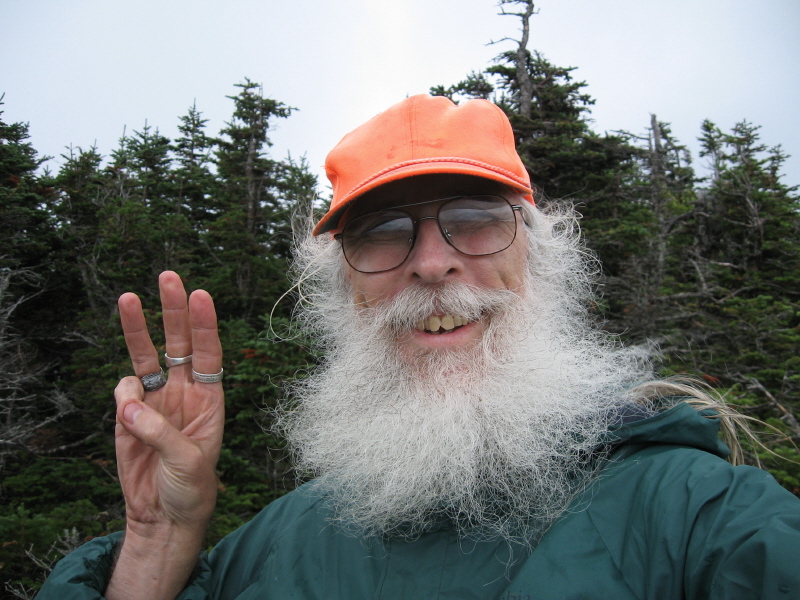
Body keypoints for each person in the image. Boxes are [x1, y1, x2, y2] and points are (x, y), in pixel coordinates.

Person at [39, 94, 800, 599]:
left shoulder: (696, 515)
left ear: (539, 259)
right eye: (382, 234)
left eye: (475, 219)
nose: (432, 264)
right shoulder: (273, 546)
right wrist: (158, 540)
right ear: (344, 291)